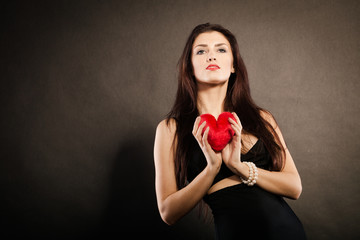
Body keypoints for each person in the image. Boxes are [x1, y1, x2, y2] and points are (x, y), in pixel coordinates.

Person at [153, 23, 306, 239]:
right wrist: (212, 168)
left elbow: (294, 187)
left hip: (287, 231)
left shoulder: (261, 118)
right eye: (201, 51)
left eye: (221, 49)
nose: (211, 56)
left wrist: (239, 167)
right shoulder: (171, 130)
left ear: (233, 65)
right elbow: (168, 212)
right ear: (189, 66)